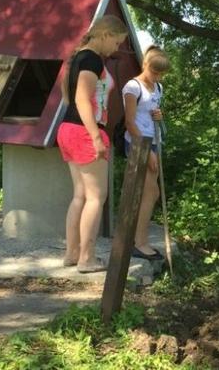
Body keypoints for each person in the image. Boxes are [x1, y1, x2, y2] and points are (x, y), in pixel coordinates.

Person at [57, 15, 128, 273]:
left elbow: (73, 99)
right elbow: (82, 99)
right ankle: (86, 259)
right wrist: (96, 137)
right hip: (84, 131)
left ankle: (72, 254)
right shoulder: (92, 58)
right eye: (117, 42)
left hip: (68, 129)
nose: (116, 48)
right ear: (106, 35)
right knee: (96, 197)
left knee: (80, 196)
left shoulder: (80, 57)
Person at [122, 45, 171, 261]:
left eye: (161, 74)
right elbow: (129, 122)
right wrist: (146, 152)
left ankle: (138, 239)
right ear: (145, 65)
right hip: (137, 143)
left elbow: (152, 114)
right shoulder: (132, 87)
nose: (157, 77)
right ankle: (139, 243)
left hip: (153, 141)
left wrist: (159, 116)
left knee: (149, 192)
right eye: (155, 72)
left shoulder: (158, 88)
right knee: (151, 192)